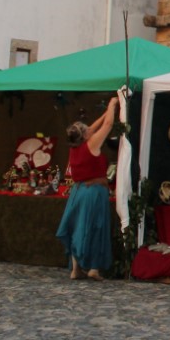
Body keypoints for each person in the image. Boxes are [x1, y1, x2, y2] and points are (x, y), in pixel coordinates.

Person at [56, 97, 118, 280]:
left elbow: (93, 127)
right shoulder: (91, 145)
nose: (90, 130)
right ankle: (94, 268)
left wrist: (107, 111)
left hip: (78, 192)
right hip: (93, 192)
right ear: (84, 136)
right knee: (95, 226)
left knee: (78, 227)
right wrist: (113, 104)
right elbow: (106, 125)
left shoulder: (75, 146)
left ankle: (76, 269)